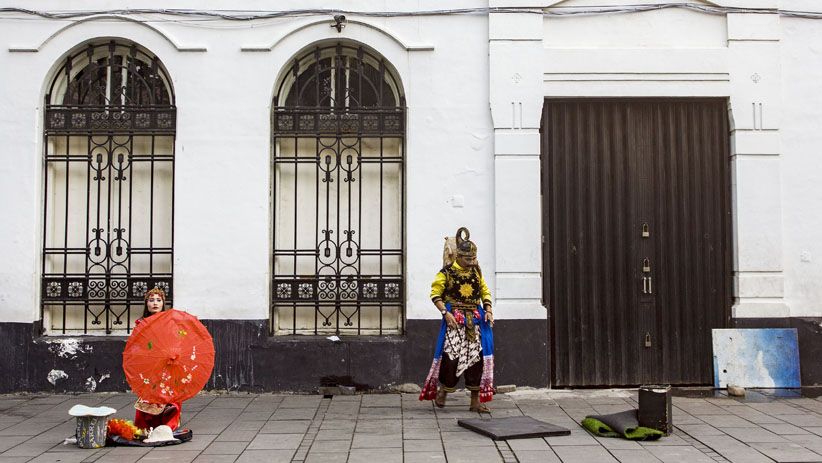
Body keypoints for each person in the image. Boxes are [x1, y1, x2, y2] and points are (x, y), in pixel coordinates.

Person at [420, 227, 495, 413]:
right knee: (450, 358)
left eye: (473, 259)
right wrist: (446, 313)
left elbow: (484, 291)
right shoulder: (445, 273)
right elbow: (435, 294)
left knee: (476, 359)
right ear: (458, 257)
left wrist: (488, 309)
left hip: (475, 323)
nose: (471, 263)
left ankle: (475, 401)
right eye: (468, 259)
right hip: (455, 321)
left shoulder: (476, 272)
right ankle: (443, 392)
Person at [132, 287, 182, 431]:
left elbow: (175, 341)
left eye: (158, 300)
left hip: (167, 363)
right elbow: (136, 345)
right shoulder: (140, 324)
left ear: (163, 303)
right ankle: (146, 424)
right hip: (149, 364)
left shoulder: (169, 322)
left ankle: (169, 423)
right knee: (148, 394)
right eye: (151, 300)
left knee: (169, 394)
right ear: (146, 303)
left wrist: (173, 354)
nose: (155, 303)